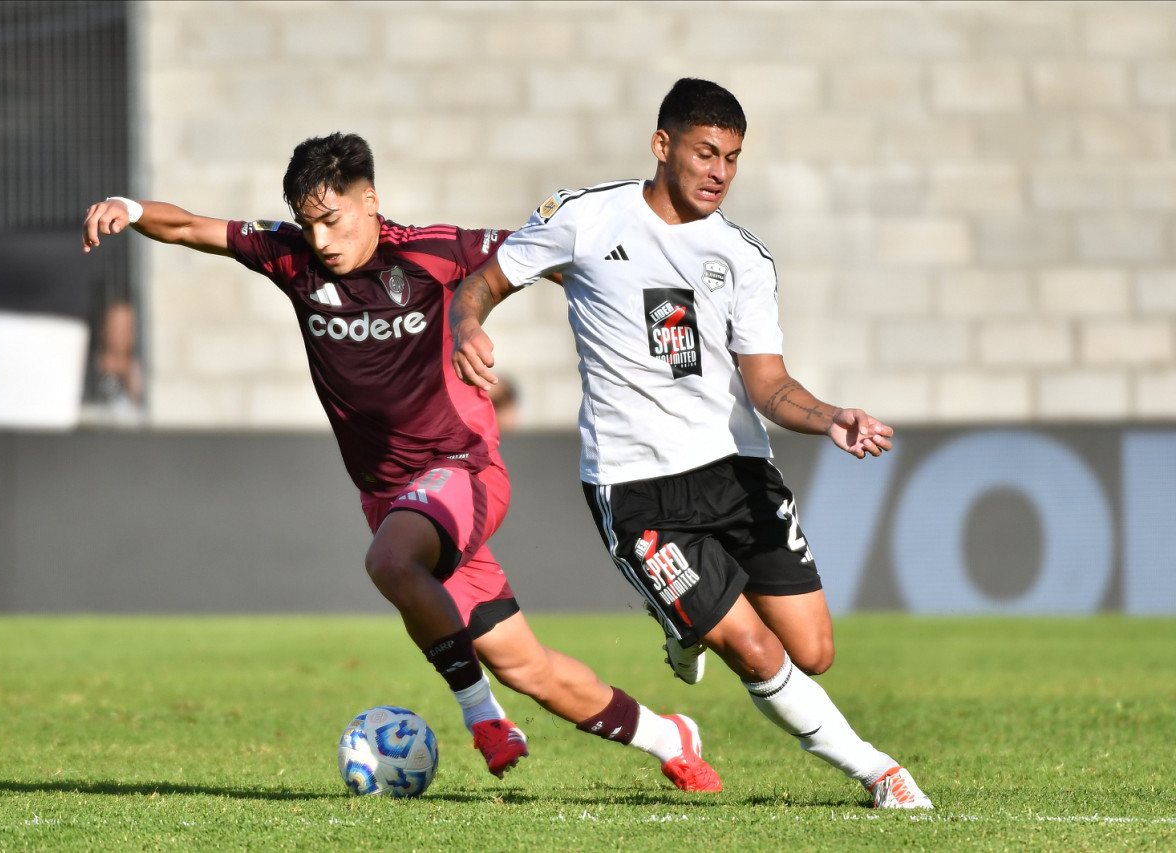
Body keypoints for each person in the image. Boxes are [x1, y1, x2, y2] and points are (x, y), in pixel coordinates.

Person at [81, 132, 720, 792]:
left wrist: (648, 301)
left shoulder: (429, 252)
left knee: (389, 562)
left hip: (461, 471)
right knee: (530, 668)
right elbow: (190, 226)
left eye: (332, 219)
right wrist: (129, 208)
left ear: (370, 202)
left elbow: (548, 254)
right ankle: (670, 736)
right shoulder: (291, 260)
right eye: (308, 223)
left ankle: (482, 719)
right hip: (392, 500)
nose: (321, 239)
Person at [449, 79, 933, 809]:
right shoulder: (584, 218)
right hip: (639, 488)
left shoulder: (741, 257)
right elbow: (482, 284)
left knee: (813, 651)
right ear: (663, 145)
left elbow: (768, 384)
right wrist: (467, 326)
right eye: (707, 152)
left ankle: (681, 622)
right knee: (757, 649)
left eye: (734, 158)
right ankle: (879, 772)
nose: (720, 172)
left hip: (736, 470)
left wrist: (831, 416)